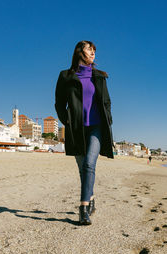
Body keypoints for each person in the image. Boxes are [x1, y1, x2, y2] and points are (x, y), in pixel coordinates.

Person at [54, 40, 114, 225]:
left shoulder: (99, 76)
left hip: (96, 127)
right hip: (76, 129)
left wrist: (108, 119)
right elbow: (59, 103)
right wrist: (67, 121)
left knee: (89, 164)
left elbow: (107, 102)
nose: (93, 53)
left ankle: (83, 209)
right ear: (80, 52)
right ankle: (91, 198)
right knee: (83, 169)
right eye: (90, 49)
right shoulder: (66, 76)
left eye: (95, 50)